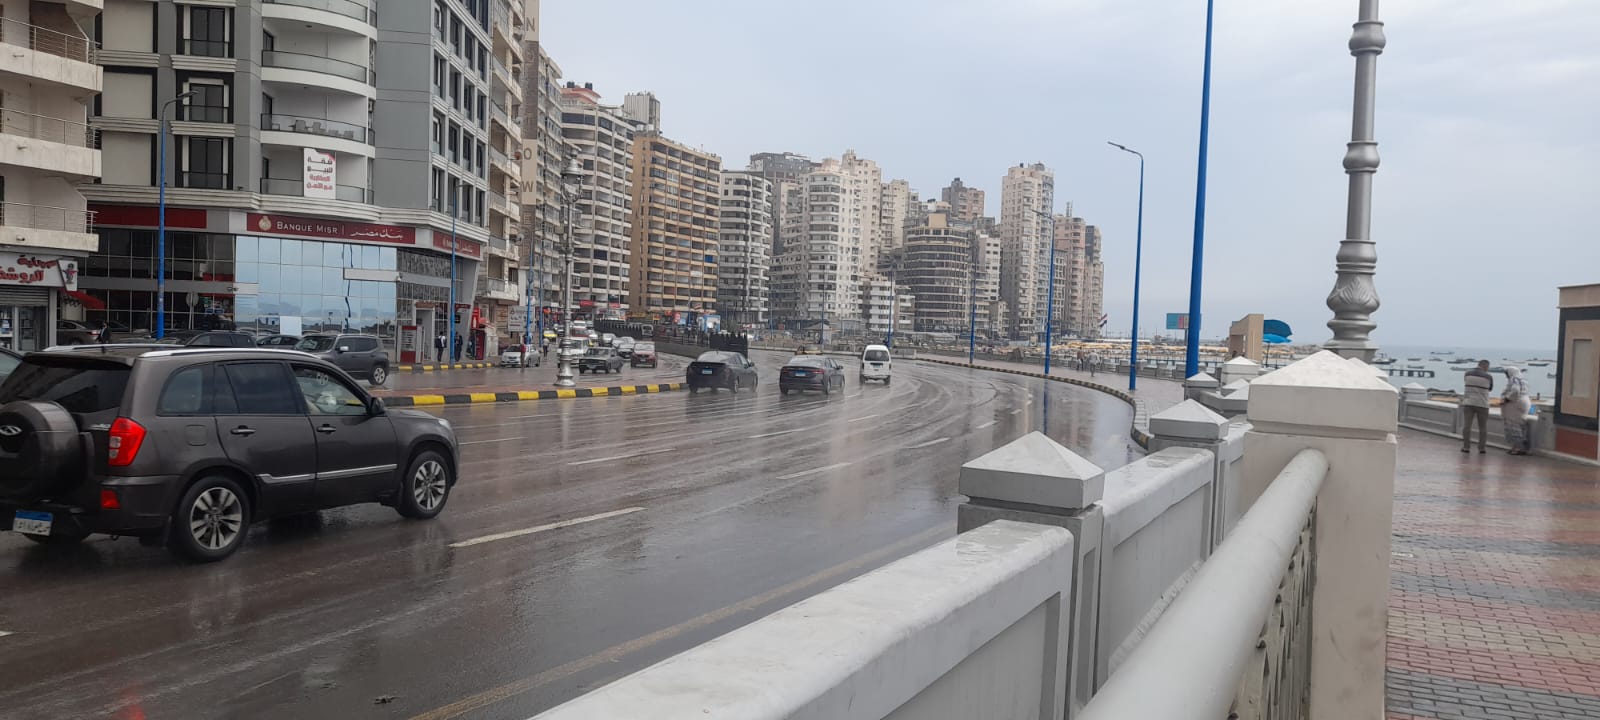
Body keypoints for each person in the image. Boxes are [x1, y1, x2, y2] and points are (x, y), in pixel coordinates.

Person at [1461, 360, 1494, 454]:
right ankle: (1481, 448)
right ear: (1486, 366)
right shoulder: (1488, 376)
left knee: (1467, 426)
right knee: (1482, 427)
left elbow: (1466, 382)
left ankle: (1466, 447)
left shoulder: (1467, 373)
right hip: (1483, 404)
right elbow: (1490, 389)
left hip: (1468, 402)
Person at [1501, 366, 1532, 455]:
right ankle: (1516, 447)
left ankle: (1518, 448)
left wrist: (1507, 399)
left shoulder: (1514, 379)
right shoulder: (1523, 380)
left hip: (1515, 403)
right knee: (1520, 425)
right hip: (1524, 401)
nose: (1506, 376)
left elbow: (1515, 391)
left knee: (1513, 425)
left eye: (1507, 374)